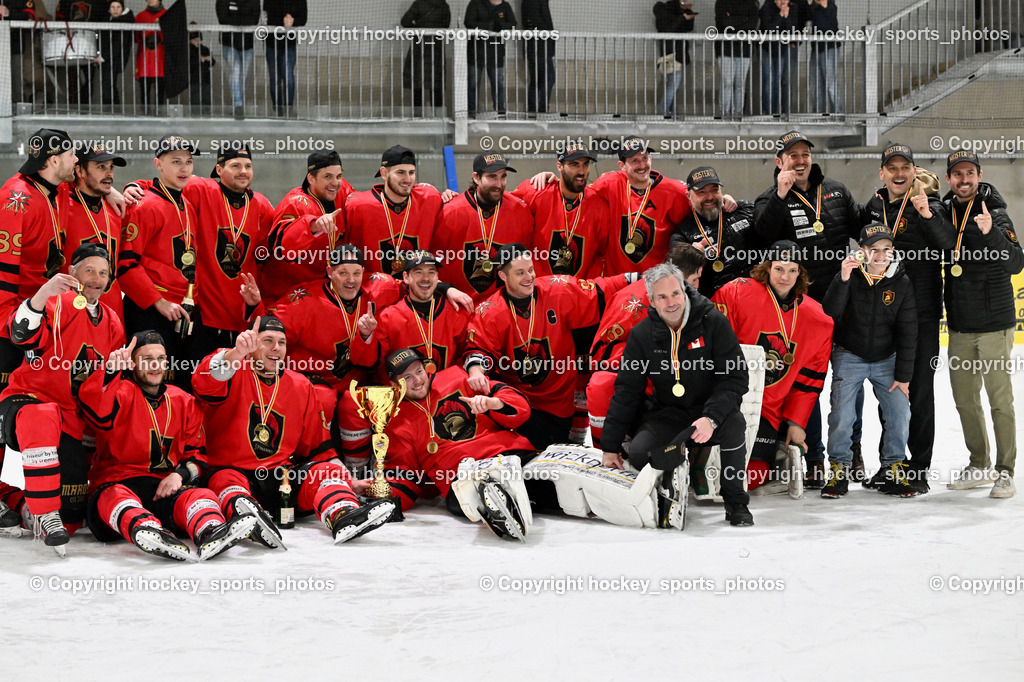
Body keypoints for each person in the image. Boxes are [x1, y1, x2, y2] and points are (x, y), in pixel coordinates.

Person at [193, 316, 399, 546]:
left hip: (281, 480)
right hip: (232, 472)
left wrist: (347, 480)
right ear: (251, 345)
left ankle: (344, 515)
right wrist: (235, 353)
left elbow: (319, 448)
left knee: (326, 471)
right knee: (226, 481)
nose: (276, 348)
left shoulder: (301, 385)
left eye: (281, 342)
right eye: (267, 340)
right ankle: (249, 518)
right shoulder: (232, 369)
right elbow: (202, 381)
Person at [78, 331, 257, 561]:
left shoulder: (183, 400)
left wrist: (179, 476)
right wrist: (111, 370)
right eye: (147, 359)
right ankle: (148, 530)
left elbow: (197, 455)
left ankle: (211, 531)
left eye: (161, 359)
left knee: (201, 494)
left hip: (160, 487)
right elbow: (94, 406)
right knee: (114, 497)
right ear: (132, 363)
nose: (156, 365)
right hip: (117, 483)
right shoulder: (119, 392)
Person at [601, 263, 753, 526]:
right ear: (652, 300)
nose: (671, 302)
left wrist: (711, 417)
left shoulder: (713, 321)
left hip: (709, 411)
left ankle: (736, 500)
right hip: (669, 414)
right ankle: (677, 477)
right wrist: (610, 446)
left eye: (675, 293)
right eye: (662, 297)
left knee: (735, 424)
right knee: (638, 452)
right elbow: (627, 391)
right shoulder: (641, 335)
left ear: (684, 290)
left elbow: (735, 378)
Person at [0, 245, 125, 555]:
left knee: (72, 517)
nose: (97, 279)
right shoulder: (58, 303)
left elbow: (97, 388)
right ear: (73, 273)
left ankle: (15, 500)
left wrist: (110, 372)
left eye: (103, 273)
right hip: (26, 401)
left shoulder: (112, 321)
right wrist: (42, 294)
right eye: (90, 270)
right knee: (41, 415)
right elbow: (21, 334)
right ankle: (44, 511)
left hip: (70, 415)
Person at [753, 131, 859, 484]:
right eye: (792, 155)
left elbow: (864, 225)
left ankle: (852, 451)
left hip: (842, 305)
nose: (800, 160)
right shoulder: (770, 198)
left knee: (846, 384)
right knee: (805, 383)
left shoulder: (837, 190)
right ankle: (813, 456)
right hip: (802, 312)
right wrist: (781, 195)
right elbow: (760, 239)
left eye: (804, 154)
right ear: (779, 162)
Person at [462, 243, 633, 451]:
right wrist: (476, 372)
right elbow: (477, 349)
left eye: (531, 270)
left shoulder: (556, 289)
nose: (529, 277)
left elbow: (602, 289)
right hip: (517, 402)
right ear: (503, 276)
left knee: (553, 457)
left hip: (558, 405)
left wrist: (645, 279)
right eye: (520, 273)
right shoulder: (489, 311)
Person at [859, 144, 954, 491]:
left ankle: (919, 469)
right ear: (882, 173)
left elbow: (948, 246)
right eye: (892, 168)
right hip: (883, 315)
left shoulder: (930, 204)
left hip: (923, 314)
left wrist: (927, 214)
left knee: (920, 392)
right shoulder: (873, 207)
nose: (899, 174)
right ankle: (892, 462)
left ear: (914, 171)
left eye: (905, 167)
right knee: (890, 392)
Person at [372, 349, 536, 540]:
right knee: (460, 498)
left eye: (419, 371)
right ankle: (496, 493)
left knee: (549, 484)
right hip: (460, 476)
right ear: (393, 385)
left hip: (506, 453)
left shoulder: (456, 377)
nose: (417, 381)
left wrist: (494, 403)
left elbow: (520, 406)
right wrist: (379, 496)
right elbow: (405, 473)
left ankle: (500, 495)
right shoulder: (395, 421)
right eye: (407, 377)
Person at [711, 240, 832, 492]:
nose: (784, 276)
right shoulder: (737, 292)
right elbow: (714, 348)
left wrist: (797, 424)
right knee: (712, 469)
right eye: (778, 269)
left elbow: (809, 380)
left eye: (792, 270)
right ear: (767, 268)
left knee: (752, 477)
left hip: (768, 412)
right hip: (726, 401)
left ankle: (777, 450)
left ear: (801, 272)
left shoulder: (818, 318)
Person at [942, 150, 1023, 499]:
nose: (964, 180)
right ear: (949, 179)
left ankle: (1005, 471)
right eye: (957, 174)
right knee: (964, 401)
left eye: (970, 173)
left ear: (979, 175)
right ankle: (979, 463)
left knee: (999, 401)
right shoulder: (945, 213)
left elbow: (1016, 263)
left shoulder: (997, 212)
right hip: (959, 326)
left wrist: (991, 233)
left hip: (993, 325)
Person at [820, 225, 918, 498]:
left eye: (886, 249)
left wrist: (904, 376)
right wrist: (843, 278)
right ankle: (839, 467)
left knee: (899, 412)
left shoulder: (901, 281)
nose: (880, 255)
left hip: (888, 358)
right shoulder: (849, 275)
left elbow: (909, 331)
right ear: (861, 250)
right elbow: (830, 312)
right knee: (842, 414)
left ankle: (893, 466)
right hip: (850, 353)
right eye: (873, 249)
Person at [588, 243, 705, 445]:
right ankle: (606, 452)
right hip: (627, 376)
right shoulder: (639, 299)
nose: (697, 287)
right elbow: (605, 345)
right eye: (695, 280)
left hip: (648, 378)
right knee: (602, 386)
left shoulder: (685, 302)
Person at [117, 135, 200, 388]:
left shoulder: (186, 203)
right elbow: (126, 265)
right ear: (158, 164)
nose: (184, 168)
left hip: (182, 310)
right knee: (146, 384)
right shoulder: (144, 205)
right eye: (176, 161)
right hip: (150, 311)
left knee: (178, 385)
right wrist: (159, 302)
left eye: (188, 161)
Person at [351, 251, 471, 379]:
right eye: (418, 272)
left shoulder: (456, 312)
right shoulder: (388, 317)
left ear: (437, 277)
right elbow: (367, 364)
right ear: (406, 277)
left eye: (431, 272)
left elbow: (465, 356)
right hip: (404, 395)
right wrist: (366, 336)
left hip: (444, 392)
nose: (426, 278)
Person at [435, 152, 534, 303]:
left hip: (500, 308)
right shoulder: (450, 212)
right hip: (456, 306)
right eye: (492, 177)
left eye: (503, 176)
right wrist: (445, 288)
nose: (499, 184)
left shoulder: (520, 212)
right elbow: (431, 260)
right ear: (476, 178)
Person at [262, 150, 353, 305]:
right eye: (327, 176)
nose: (335, 182)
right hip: (287, 296)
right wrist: (313, 225)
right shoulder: (294, 203)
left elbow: (358, 201)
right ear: (311, 178)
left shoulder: (340, 190)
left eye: (338, 176)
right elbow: (280, 247)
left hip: (324, 293)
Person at [512, 142, 612, 279]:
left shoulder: (598, 205)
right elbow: (502, 205)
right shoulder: (537, 192)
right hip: (539, 292)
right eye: (574, 165)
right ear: (559, 165)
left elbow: (604, 254)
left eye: (585, 164)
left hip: (578, 294)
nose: (582, 171)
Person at [343, 146, 442, 277]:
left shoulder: (430, 199)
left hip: (417, 290)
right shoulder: (359, 206)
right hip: (374, 290)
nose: (407, 179)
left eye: (411, 173)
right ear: (384, 173)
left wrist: (449, 196)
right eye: (400, 172)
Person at [60, 142, 128, 320]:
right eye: (100, 167)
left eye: (110, 167)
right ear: (80, 171)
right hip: (71, 310)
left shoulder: (116, 208)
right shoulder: (62, 205)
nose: (109, 174)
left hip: (112, 312)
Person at [671, 165, 760, 298]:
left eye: (715, 190)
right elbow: (680, 278)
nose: (710, 197)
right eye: (702, 192)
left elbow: (771, 231)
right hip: (716, 305)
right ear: (688, 195)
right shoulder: (683, 234)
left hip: (754, 296)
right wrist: (693, 258)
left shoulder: (745, 210)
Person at [464, 0, 516, 116]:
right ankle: (471, 112)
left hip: (496, 52)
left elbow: (513, 24)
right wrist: (489, 26)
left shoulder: (505, 6)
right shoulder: (475, 3)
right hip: (476, 51)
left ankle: (500, 112)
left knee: (498, 83)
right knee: (473, 83)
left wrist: (500, 26)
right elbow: (469, 22)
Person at [400, 0, 449, 110]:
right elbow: (446, 25)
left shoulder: (419, 3)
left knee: (418, 84)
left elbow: (405, 21)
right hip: (436, 47)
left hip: (419, 46)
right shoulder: (444, 6)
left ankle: (417, 116)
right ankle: (437, 116)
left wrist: (418, 29)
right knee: (437, 84)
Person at [216, 0, 261, 120]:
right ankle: (238, 105)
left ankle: (239, 101)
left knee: (243, 76)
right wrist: (243, 20)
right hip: (228, 43)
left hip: (247, 45)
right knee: (235, 69)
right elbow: (223, 18)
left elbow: (254, 20)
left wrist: (235, 18)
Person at [714, 0, 759, 118]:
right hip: (725, 49)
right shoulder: (721, 2)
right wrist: (743, 19)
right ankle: (724, 113)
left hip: (744, 50)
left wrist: (732, 20)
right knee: (727, 82)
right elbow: (723, 23)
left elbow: (752, 24)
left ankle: (737, 114)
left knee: (740, 83)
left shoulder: (752, 3)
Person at [265, 1, 307, 117]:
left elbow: (303, 19)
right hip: (271, 43)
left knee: (288, 75)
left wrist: (293, 21)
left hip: (289, 43)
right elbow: (267, 19)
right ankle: (278, 108)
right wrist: (283, 22)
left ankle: (289, 107)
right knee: (274, 78)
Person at [653, 0, 695, 117]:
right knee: (674, 83)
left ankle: (671, 112)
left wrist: (689, 12)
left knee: (675, 85)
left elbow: (688, 28)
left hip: (680, 53)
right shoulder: (663, 9)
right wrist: (682, 17)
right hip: (670, 53)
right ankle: (663, 112)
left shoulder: (682, 10)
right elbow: (668, 28)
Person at [759, 0, 801, 116]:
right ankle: (768, 113)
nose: (783, 2)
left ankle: (777, 113)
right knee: (769, 82)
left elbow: (792, 31)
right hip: (767, 49)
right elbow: (769, 29)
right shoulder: (767, 7)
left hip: (781, 50)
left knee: (777, 82)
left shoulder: (793, 8)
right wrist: (780, 15)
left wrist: (787, 17)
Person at [96, 1, 136, 109]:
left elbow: (118, 44)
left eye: (118, 7)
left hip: (114, 59)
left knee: (107, 86)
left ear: (122, 9)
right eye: (113, 7)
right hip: (106, 59)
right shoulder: (106, 20)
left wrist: (103, 56)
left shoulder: (124, 22)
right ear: (109, 9)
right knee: (109, 86)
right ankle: (114, 110)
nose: (115, 9)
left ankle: (110, 111)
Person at [522, 0, 556, 114]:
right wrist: (549, 34)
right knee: (548, 77)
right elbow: (535, 21)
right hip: (539, 47)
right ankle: (541, 109)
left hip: (540, 46)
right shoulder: (533, 2)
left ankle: (534, 110)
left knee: (538, 79)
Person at [807, 0, 841, 114]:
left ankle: (837, 114)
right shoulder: (813, 9)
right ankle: (818, 113)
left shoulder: (831, 7)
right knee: (815, 84)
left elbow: (825, 26)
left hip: (829, 49)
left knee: (831, 84)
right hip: (816, 49)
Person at [136, 0, 167, 116]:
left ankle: (159, 114)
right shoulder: (140, 16)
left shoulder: (167, 15)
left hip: (160, 59)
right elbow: (136, 38)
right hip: (145, 58)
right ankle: (145, 114)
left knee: (160, 89)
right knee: (144, 88)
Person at [188, 27, 215, 114]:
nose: (197, 42)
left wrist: (209, 59)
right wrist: (199, 60)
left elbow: (212, 63)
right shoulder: (187, 50)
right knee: (195, 101)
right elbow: (187, 63)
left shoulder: (204, 49)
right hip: (194, 80)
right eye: (195, 40)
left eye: (198, 39)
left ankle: (207, 115)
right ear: (190, 40)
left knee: (206, 99)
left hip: (205, 79)